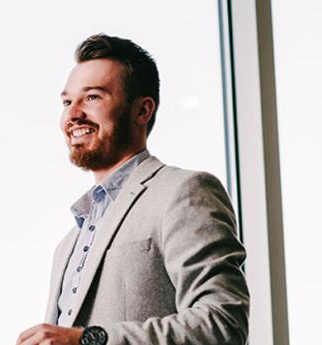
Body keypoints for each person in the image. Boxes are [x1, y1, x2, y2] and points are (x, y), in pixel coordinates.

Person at [16, 34, 249, 345]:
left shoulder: (184, 192)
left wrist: (89, 340)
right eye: (67, 102)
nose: (72, 115)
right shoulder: (67, 245)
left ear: (142, 111)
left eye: (93, 97)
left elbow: (223, 323)